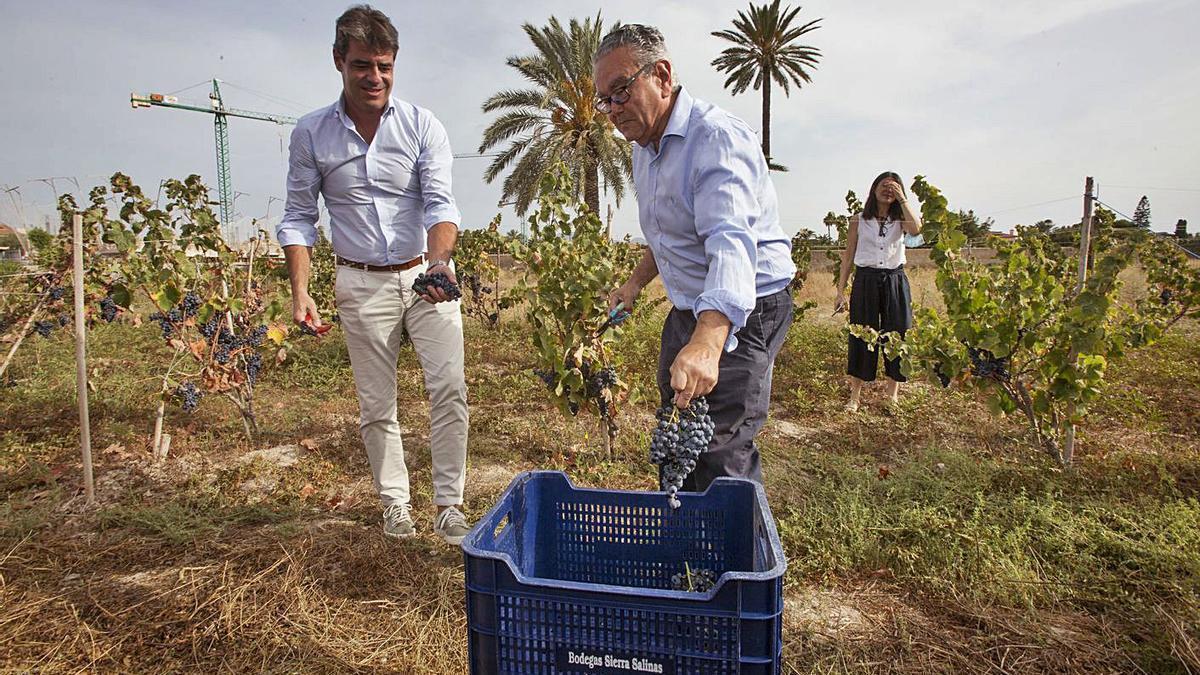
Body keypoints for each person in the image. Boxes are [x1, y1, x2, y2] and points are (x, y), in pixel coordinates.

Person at [275, 5, 471, 545]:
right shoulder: (311, 134)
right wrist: (300, 291)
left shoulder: (421, 125)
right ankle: (395, 505)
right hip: (360, 281)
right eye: (362, 65)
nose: (375, 77)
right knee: (376, 402)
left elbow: (440, 204)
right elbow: (298, 216)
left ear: (395, 63)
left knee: (449, 387)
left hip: (425, 274)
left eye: (384, 65)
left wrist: (438, 264)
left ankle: (450, 506)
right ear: (338, 61)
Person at [593, 24, 796, 492]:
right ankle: (681, 538)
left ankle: (729, 560)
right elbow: (671, 233)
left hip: (747, 307)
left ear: (661, 76)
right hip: (691, 305)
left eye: (620, 91)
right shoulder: (645, 147)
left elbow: (729, 242)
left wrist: (708, 341)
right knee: (677, 426)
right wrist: (636, 283)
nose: (611, 110)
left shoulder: (716, 139)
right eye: (605, 99)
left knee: (720, 445)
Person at [834, 172, 923, 412]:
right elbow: (848, 255)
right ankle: (855, 396)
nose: (888, 190)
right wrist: (840, 291)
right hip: (866, 280)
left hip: (895, 279)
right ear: (873, 189)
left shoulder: (901, 220)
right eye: (884, 185)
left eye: (893, 187)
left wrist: (903, 200)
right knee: (863, 334)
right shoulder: (858, 219)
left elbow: (916, 230)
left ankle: (892, 395)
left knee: (898, 332)